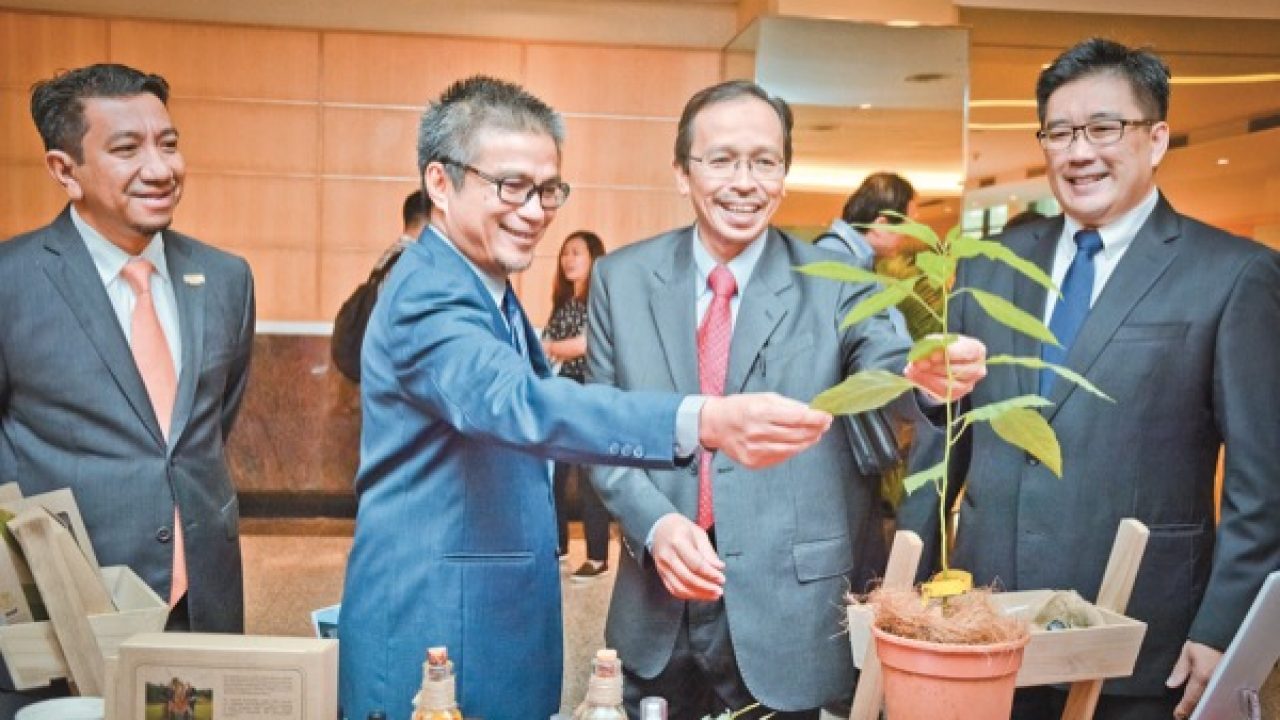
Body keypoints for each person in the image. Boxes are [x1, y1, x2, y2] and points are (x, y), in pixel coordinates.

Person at [336, 75, 841, 720]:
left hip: (491, 623)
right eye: (510, 186)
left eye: (548, 190)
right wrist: (702, 418)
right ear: (440, 183)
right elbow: (521, 403)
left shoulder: (487, 287)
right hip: (434, 636)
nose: (534, 211)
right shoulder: (427, 294)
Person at [586, 79, 988, 719]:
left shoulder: (835, 283)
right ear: (683, 172)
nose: (744, 182)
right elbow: (603, 433)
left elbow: (884, 360)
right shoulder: (620, 279)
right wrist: (656, 525)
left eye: (764, 162)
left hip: (788, 613)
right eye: (722, 160)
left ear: (784, 174)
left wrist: (921, 374)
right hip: (657, 606)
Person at [903, 38, 1280, 720]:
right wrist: (908, 594)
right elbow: (947, 437)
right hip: (985, 627)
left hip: (1141, 632)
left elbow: (1262, 480)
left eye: (1104, 128)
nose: (1080, 152)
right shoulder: (989, 266)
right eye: (1060, 133)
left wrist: (1222, 628)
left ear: (1155, 139)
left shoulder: (1233, 274)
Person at [0, 62, 255, 708]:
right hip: (65, 608)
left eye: (168, 143)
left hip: (200, 603)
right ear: (65, 170)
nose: (160, 168)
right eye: (127, 149)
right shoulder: (11, 280)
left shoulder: (226, 279)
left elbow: (203, 429)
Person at [543, 230, 613, 580]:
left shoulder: (601, 300)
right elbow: (547, 342)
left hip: (590, 393)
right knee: (554, 476)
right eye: (564, 253)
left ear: (594, 258)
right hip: (561, 393)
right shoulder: (563, 303)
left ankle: (598, 557)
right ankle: (558, 549)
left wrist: (551, 348)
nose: (568, 259)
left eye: (577, 252)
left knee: (590, 478)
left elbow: (588, 344)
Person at [814, 171, 917, 267]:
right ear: (881, 225)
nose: (908, 237)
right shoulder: (835, 256)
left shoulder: (846, 254)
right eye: (907, 229)